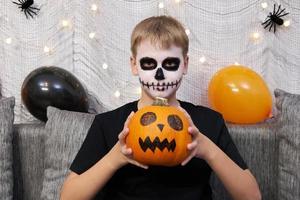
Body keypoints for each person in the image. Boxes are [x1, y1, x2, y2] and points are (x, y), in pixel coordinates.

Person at [60, 15, 261, 200]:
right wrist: (115, 158)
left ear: (185, 65)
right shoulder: (108, 123)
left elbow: (252, 197)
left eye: (170, 64)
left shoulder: (209, 121)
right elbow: (68, 197)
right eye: (148, 64)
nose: (159, 75)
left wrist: (208, 149)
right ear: (134, 65)